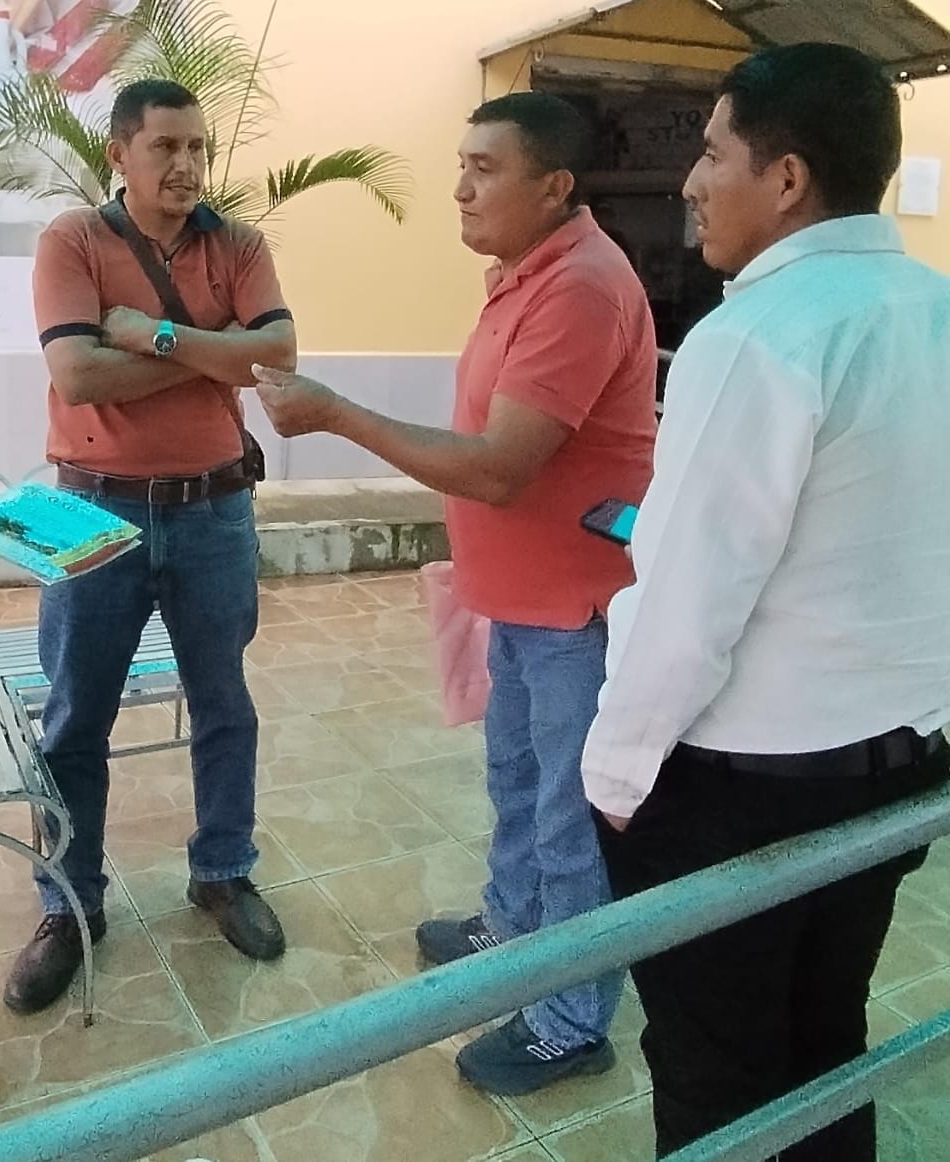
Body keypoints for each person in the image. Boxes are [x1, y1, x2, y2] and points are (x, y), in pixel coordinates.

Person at [581, 43, 950, 1160]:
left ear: (785, 179)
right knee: (825, 1039)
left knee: (715, 1079)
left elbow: (688, 600)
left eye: (710, 152)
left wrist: (617, 777)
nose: (690, 182)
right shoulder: (931, 308)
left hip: (744, 793)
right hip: (900, 766)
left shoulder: (754, 338)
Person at [253, 91, 657, 1094]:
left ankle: (570, 1019)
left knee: (568, 820)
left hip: (574, 612)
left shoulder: (580, 288)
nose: (461, 189)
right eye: (461, 166)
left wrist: (336, 413)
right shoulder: (526, 274)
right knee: (516, 783)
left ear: (553, 185)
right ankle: (513, 929)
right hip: (522, 598)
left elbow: (497, 468)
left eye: (485, 168)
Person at [3, 78, 298, 1015]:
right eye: (165, 146)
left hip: (215, 510)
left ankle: (223, 871)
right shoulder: (72, 241)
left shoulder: (239, 244)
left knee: (224, 702)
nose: (186, 164)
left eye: (197, 147)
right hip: (92, 508)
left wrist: (155, 334)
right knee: (74, 717)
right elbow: (78, 374)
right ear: (119, 155)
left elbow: (277, 355)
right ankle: (68, 903)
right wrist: (212, 348)